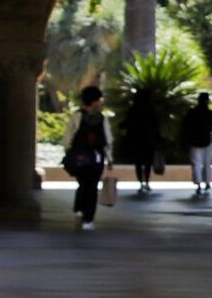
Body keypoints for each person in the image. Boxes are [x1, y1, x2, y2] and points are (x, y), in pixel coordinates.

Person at [61, 85, 111, 232]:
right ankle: (88, 218)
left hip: (80, 157)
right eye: (99, 99)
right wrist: (110, 157)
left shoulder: (77, 116)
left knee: (84, 184)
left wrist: (69, 151)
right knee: (91, 186)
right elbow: (108, 139)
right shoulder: (102, 119)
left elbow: (68, 136)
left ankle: (81, 209)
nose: (101, 102)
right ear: (94, 101)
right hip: (95, 158)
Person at [117, 89, 165, 195]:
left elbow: (127, 123)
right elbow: (156, 125)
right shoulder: (151, 110)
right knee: (148, 162)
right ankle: (146, 182)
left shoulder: (133, 109)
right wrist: (158, 138)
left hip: (136, 140)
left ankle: (140, 182)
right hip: (149, 140)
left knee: (138, 162)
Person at [181, 90, 212, 196]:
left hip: (194, 140)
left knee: (196, 162)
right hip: (206, 139)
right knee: (207, 162)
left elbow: (185, 127)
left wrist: (184, 139)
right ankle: (206, 182)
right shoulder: (210, 113)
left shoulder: (192, 112)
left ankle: (198, 182)